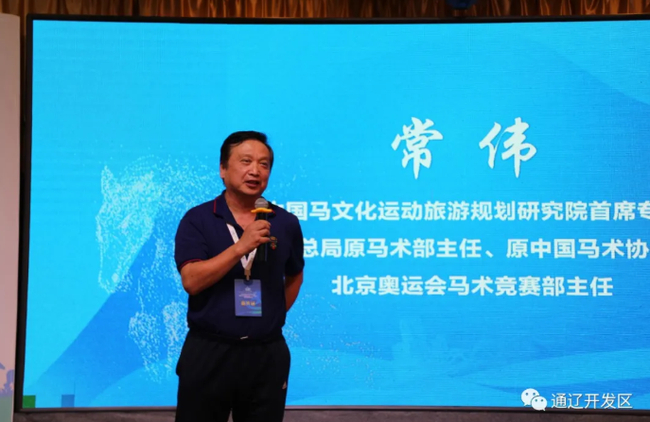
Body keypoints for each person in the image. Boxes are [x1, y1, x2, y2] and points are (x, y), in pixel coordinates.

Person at [173, 131, 305, 422]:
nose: (255, 171)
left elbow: (295, 275)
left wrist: (272, 313)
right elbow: (192, 281)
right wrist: (240, 247)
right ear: (223, 169)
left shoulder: (285, 223)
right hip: (209, 349)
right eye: (246, 161)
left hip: (266, 352)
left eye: (264, 164)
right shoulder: (198, 219)